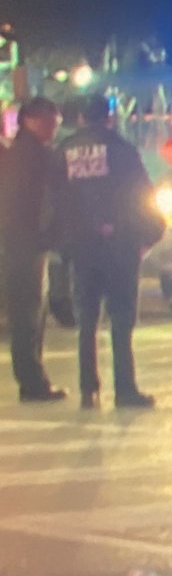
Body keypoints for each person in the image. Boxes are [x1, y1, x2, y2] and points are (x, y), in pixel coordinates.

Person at [51, 95, 164, 409]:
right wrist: (150, 235)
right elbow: (141, 196)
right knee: (121, 318)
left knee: (86, 320)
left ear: (82, 119)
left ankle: (88, 389)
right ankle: (125, 389)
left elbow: (54, 201)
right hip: (119, 245)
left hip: (82, 247)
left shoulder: (64, 152)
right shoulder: (122, 151)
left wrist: (63, 243)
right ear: (109, 118)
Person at [0, 97, 68, 402]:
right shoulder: (34, 156)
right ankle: (32, 381)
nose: (53, 129)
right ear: (31, 120)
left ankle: (32, 378)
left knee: (27, 313)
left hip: (20, 241)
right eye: (49, 122)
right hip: (26, 243)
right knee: (27, 313)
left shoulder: (16, 153)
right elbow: (40, 203)